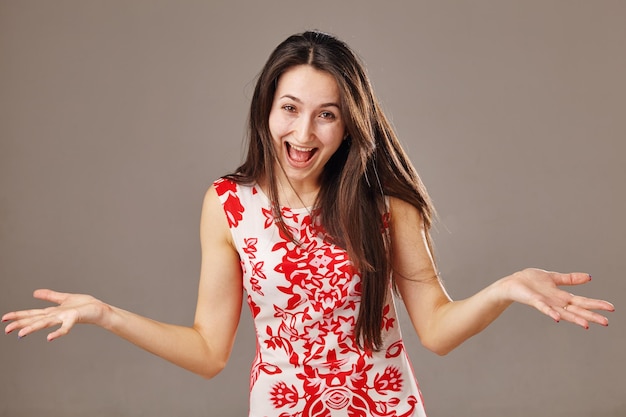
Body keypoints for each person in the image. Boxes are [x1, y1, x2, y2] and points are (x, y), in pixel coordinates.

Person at [2, 31, 614, 417]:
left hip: (386, 409)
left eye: (327, 115)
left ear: (349, 124)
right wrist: (106, 314)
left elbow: (436, 330)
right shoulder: (228, 205)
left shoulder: (383, 205)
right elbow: (210, 351)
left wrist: (505, 289)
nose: (303, 133)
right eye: (290, 109)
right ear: (266, 108)